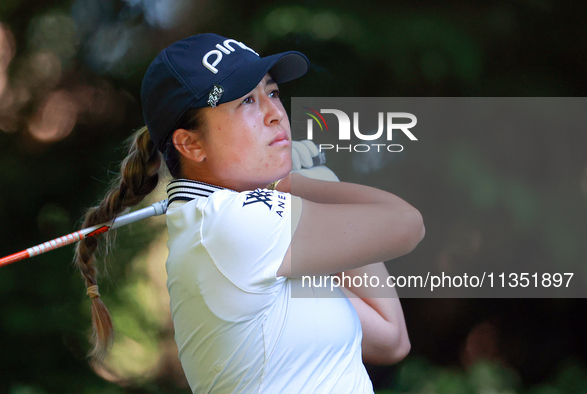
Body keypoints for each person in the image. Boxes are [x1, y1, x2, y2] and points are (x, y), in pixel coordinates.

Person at [74, 33, 424, 393]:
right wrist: (305, 185)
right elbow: (407, 224)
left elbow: (391, 337)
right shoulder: (231, 225)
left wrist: (311, 184)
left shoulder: (246, 232)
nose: (276, 115)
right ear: (190, 144)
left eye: (272, 93)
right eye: (246, 102)